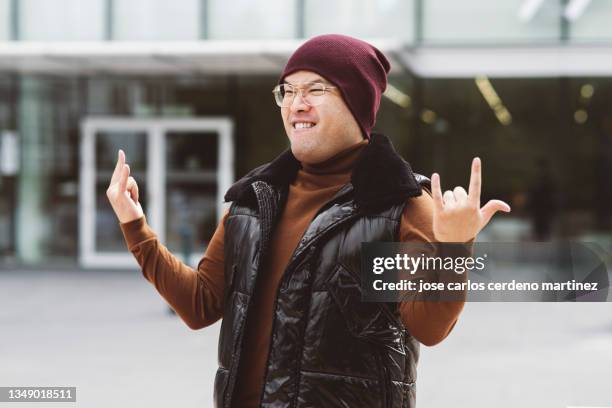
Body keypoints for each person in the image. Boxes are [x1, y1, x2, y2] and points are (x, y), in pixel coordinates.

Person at [106, 34, 511, 408]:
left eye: (316, 89)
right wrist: (136, 229)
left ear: (355, 101)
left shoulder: (397, 205)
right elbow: (199, 305)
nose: (297, 103)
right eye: (288, 91)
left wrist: (453, 248)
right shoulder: (252, 201)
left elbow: (429, 327)